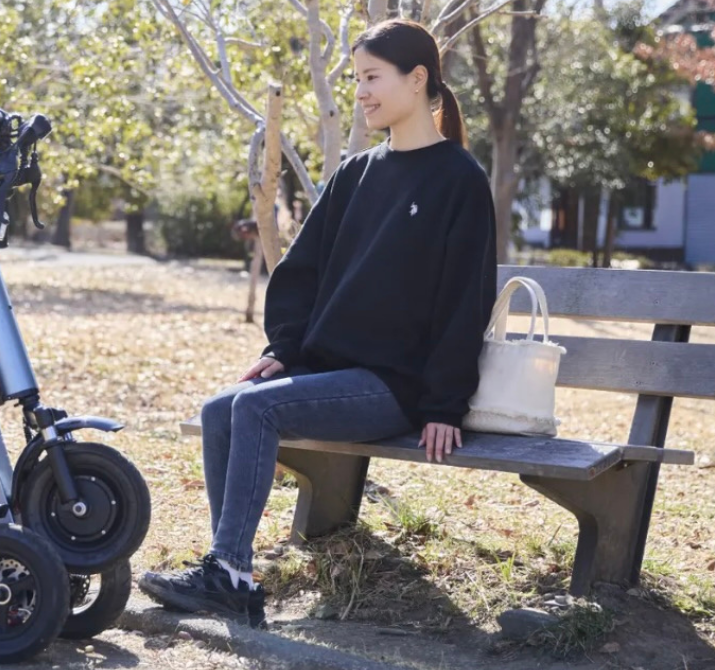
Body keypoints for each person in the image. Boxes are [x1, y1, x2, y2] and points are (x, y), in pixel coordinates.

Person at [139, 18, 499, 628]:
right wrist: (285, 348)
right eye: (356, 78)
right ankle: (234, 573)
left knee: (255, 409)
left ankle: (227, 572)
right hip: (330, 372)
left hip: (395, 386)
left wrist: (443, 403)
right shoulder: (356, 174)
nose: (361, 92)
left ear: (417, 81)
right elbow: (302, 271)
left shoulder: (460, 180)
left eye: (372, 77)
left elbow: (466, 301)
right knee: (220, 407)